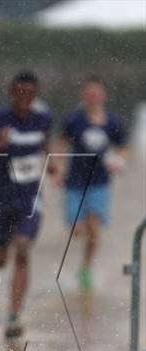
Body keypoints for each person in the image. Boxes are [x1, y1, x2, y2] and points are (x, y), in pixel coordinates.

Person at [0, 71, 54, 338]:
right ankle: (3, 260)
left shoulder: (43, 119)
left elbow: (46, 143)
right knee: (1, 260)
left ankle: (14, 314)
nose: (25, 98)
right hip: (1, 198)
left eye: (30, 94)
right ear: (12, 93)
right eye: (20, 93)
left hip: (30, 198)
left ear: (36, 95)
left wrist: (54, 163)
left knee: (23, 248)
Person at [55, 75, 127, 290]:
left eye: (97, 92)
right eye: (89, 92)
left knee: (95, 228)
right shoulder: (74, 120)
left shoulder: (113, 122)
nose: (93, 96)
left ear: (103, 95)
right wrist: (58, 169)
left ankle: (85, 268)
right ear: (83, 95)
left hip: (100, 183)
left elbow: (123, 147)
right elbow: (61, 144)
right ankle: (82, 235)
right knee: (76, 230)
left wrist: (119, 161)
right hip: (74, 183)